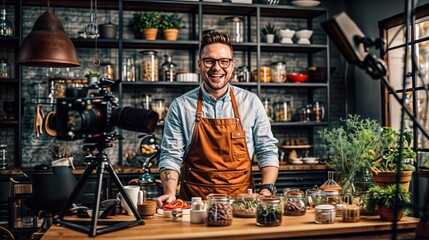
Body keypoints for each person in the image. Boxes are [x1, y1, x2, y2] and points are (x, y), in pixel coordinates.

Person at [156, 31, 279, 207]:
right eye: (209, 61)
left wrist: (266, 189)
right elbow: (171, 155)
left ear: (232, 65)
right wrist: (169, 192)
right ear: (199, 64)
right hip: (194, 203)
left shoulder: (251, 102)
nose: (217, 68)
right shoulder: (181, 106)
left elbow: (267, 150)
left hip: (242, 204)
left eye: (224, 61)